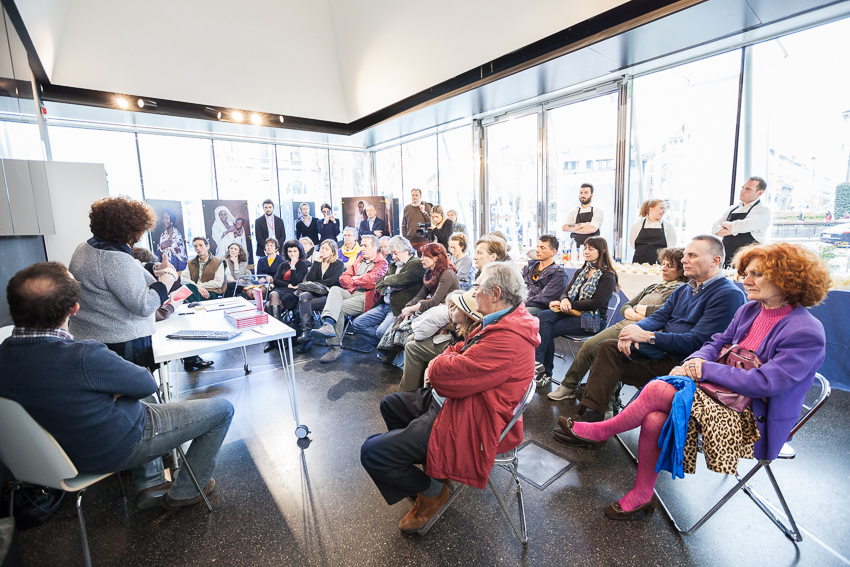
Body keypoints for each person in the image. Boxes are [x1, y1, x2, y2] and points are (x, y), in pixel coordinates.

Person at [553, 242, 830, 520]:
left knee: (660, 389)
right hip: (718, 394)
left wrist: (702, 369)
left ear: (788, 279)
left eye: (756, 274)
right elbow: (715, 342)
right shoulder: (750, 310)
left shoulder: (805, 331)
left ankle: (601, 430)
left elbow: (765, 383)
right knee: (653, 419)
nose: (746, 280)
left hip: (753, 420)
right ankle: (642, 495)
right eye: (747, 272)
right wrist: (691, 364)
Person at [0, 262, 233, 510]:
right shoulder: (83, 355)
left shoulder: (5, 356)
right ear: (75, 308)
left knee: (136, 398)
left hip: (47, 459)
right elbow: (145, 383)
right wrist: (114, 390)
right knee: (222, 410)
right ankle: (186, 491)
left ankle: (151, 483)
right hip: (113, 448)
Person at [360, 262, 539, 533]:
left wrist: (440, 363)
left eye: (478, 287)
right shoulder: (503, 319)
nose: (473, 292)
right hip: (461, 402)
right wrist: (444, 361)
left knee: (373, 453)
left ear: (496, 293)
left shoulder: (507, 338)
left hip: (471, 420)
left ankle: (432, 491)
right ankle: (429, 475)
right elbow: (458, 349)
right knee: (391, 404)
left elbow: (445, 378)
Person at [567, 235, 746, 424]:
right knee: (609, 348)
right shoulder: (684, 290)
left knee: (607, 355)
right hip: (662, 354)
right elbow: (658, 317)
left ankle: (592, 422)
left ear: (715, 261)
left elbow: (697, 342)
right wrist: (631, 331)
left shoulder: (728, 294)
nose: (684, 260)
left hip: (683, 367)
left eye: (692, 255)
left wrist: (648, 337)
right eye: (685, 255)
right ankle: (592, 418)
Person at [548, 248, 687, 401]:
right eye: (663, 264)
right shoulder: (654, 286)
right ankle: (583, 391)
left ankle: (578, 390)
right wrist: (635, 314)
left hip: (643, 332)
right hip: (626, 324)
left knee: (596, 348)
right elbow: (625, 306)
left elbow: (665, 312)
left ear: (681, 270)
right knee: (591, 346)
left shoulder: (680, 291)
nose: (664, 268)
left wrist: (641, 310)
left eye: (670, 266)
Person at [69, 197, 180, 371]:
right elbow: (144, 305)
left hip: (91, 336)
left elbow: (122, 273)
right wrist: (168, 278)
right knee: (131, 392)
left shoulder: (86, 247)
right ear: (130, 230)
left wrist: (154, 267)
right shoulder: (115, 258)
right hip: (121, 342)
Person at [534, 236, 617, 388]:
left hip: (594, 319)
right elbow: (566, 292)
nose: (586, 251)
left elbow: (595, 303)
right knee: (543, 316)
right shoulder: (582, 271)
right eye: (585, 248)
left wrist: (568, 303)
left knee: (549, 329)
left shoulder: (608, 276)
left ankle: (545, 372)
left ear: (602, 251)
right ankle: (538, 363)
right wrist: (564, 299)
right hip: (572, 311)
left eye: (591, 249)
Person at [376, 243, 460, 362]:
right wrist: (407, 307)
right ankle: (392, 353)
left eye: (424, 256)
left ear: (435, 258)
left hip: (446, 311)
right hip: (434, 308)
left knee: (408, 323)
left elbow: (435, 301)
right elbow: (420, 296)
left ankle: (397, 354)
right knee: (401, 317)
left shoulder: (447, 274)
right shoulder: (429, 274)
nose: (421, 259)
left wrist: (411, 309)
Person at [311, 235, 388, 362]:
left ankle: (334, 348)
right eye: (361, 245)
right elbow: (343, 278)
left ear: (375, 247)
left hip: (367, 297)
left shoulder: (382, 263)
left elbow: (372, 281)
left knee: (339, 309)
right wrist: (355, 281)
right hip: (353, 291)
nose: (362, 248)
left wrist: (356, 279)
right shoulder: (360, 259)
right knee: (335, 289)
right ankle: (328, 324)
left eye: (365, 246)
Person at [398, 289, 482, 391]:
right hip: (452, 344)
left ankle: (408, 391)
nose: (452, 309)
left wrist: (436, 363)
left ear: (467, 315)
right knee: (411, 338)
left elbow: (459, 351)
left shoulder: (471, 333)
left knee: (412, 348)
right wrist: (444, 328)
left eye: (457, 308)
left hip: (454, 353)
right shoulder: (461, 323)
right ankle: (414, 384)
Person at [351, 236, 426, 349]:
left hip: (399, 308)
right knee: (357, 323)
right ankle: (385, 348)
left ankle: (387, 347)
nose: (394, 257)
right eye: (392, 253)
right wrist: (390, 286)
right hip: (384, 305)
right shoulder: (392, 265)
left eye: (396, 253)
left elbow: (402, 279)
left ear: (406, 250)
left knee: (381, 332)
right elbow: (379, 284)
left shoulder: (416, 264)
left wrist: (388, 280)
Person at [294, 239, 345, 354]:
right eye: (322, 248)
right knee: (303, 296)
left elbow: (333, 280)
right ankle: (306, 333)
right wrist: (316, 263)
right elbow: (310, 279)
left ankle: (306, 339)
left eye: (326, 249)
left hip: (330, 295)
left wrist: (318, 282)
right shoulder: (317, 262)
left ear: (333, 251)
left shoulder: (338, 263)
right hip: (316, 293)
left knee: (304, 304)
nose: (323, 251)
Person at [712, 176, 772, 267]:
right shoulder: (733, 208)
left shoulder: (763, 210)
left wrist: (725, 224)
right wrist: (737, 229)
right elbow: (715, 230)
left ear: (760, 192)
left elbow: (743, 226)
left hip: (749, 260)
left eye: (748, 189)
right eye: (742, 188)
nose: (742, 191)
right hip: (726, 257)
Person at [264, 239, 309, 352]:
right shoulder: (283, 264)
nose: (292, 254)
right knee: (273, 294)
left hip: (292, 294)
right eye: (290, 251)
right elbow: (276, 281)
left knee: (268, 306)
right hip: (280, 291)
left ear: (299, 251)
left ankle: (273, 340)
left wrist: (293, 267)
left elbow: (296, 281)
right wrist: (288, 285)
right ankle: (279, 338)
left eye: (294, 251)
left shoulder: (303, 264)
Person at [522, 235, 566, 315]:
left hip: (539, 307)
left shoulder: (559, 273)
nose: (537, 250)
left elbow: (545, 298)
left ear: (553, 252)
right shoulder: (528, 268)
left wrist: (521, 304)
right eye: (538, 247)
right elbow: (515, 286)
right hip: (521, 303)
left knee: (510, 314)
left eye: (542, 248)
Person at [629, 199, 677, 264]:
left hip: (660, 263)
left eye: (664, 209)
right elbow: (633, 243)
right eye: (661, 208)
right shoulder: (638, 225)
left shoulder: (668, 226)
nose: (663, 211)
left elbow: (671, 245)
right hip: (639, 262)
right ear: (651, 209)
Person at [181, 237, 227, 303]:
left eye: (201, 245)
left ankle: (196, 305)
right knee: (186, 289)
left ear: (207, 246)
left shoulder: (218, 262)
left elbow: (218, 283)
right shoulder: (191, 263)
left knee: (188, 295)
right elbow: (184, 279)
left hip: (211, 291)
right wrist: (197, 287)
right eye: (195, 246)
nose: (198, 248)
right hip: (194, 290)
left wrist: (199, 286)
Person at [402, 188, 432, 254]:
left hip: (423, 239)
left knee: (423, 260)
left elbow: (430, 223)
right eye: (413, 195)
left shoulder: (426, 207)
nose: (414, 197)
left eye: (416, 195)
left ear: (420, 197)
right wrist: (405, 238)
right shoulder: (407, 208)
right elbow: (404, 225)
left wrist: (423, 212)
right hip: (410, 240)